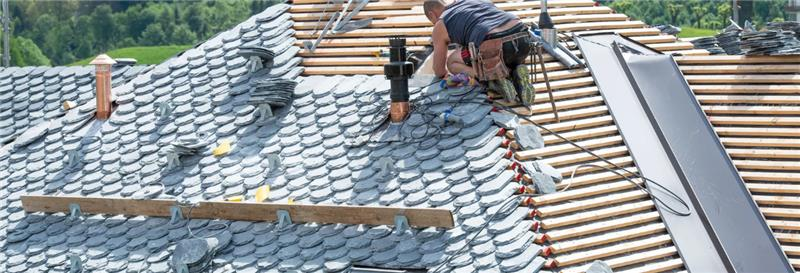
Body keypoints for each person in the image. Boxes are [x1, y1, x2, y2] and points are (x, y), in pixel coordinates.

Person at [424, 0, 535, 105]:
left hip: (494, 45)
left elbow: (439, 70)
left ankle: (493, 79)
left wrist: (450, 77)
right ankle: (515, 72)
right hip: (523, 39)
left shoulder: (441, 23)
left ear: (432, 14)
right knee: (500, 52)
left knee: (452, 61)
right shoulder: (475, 1)